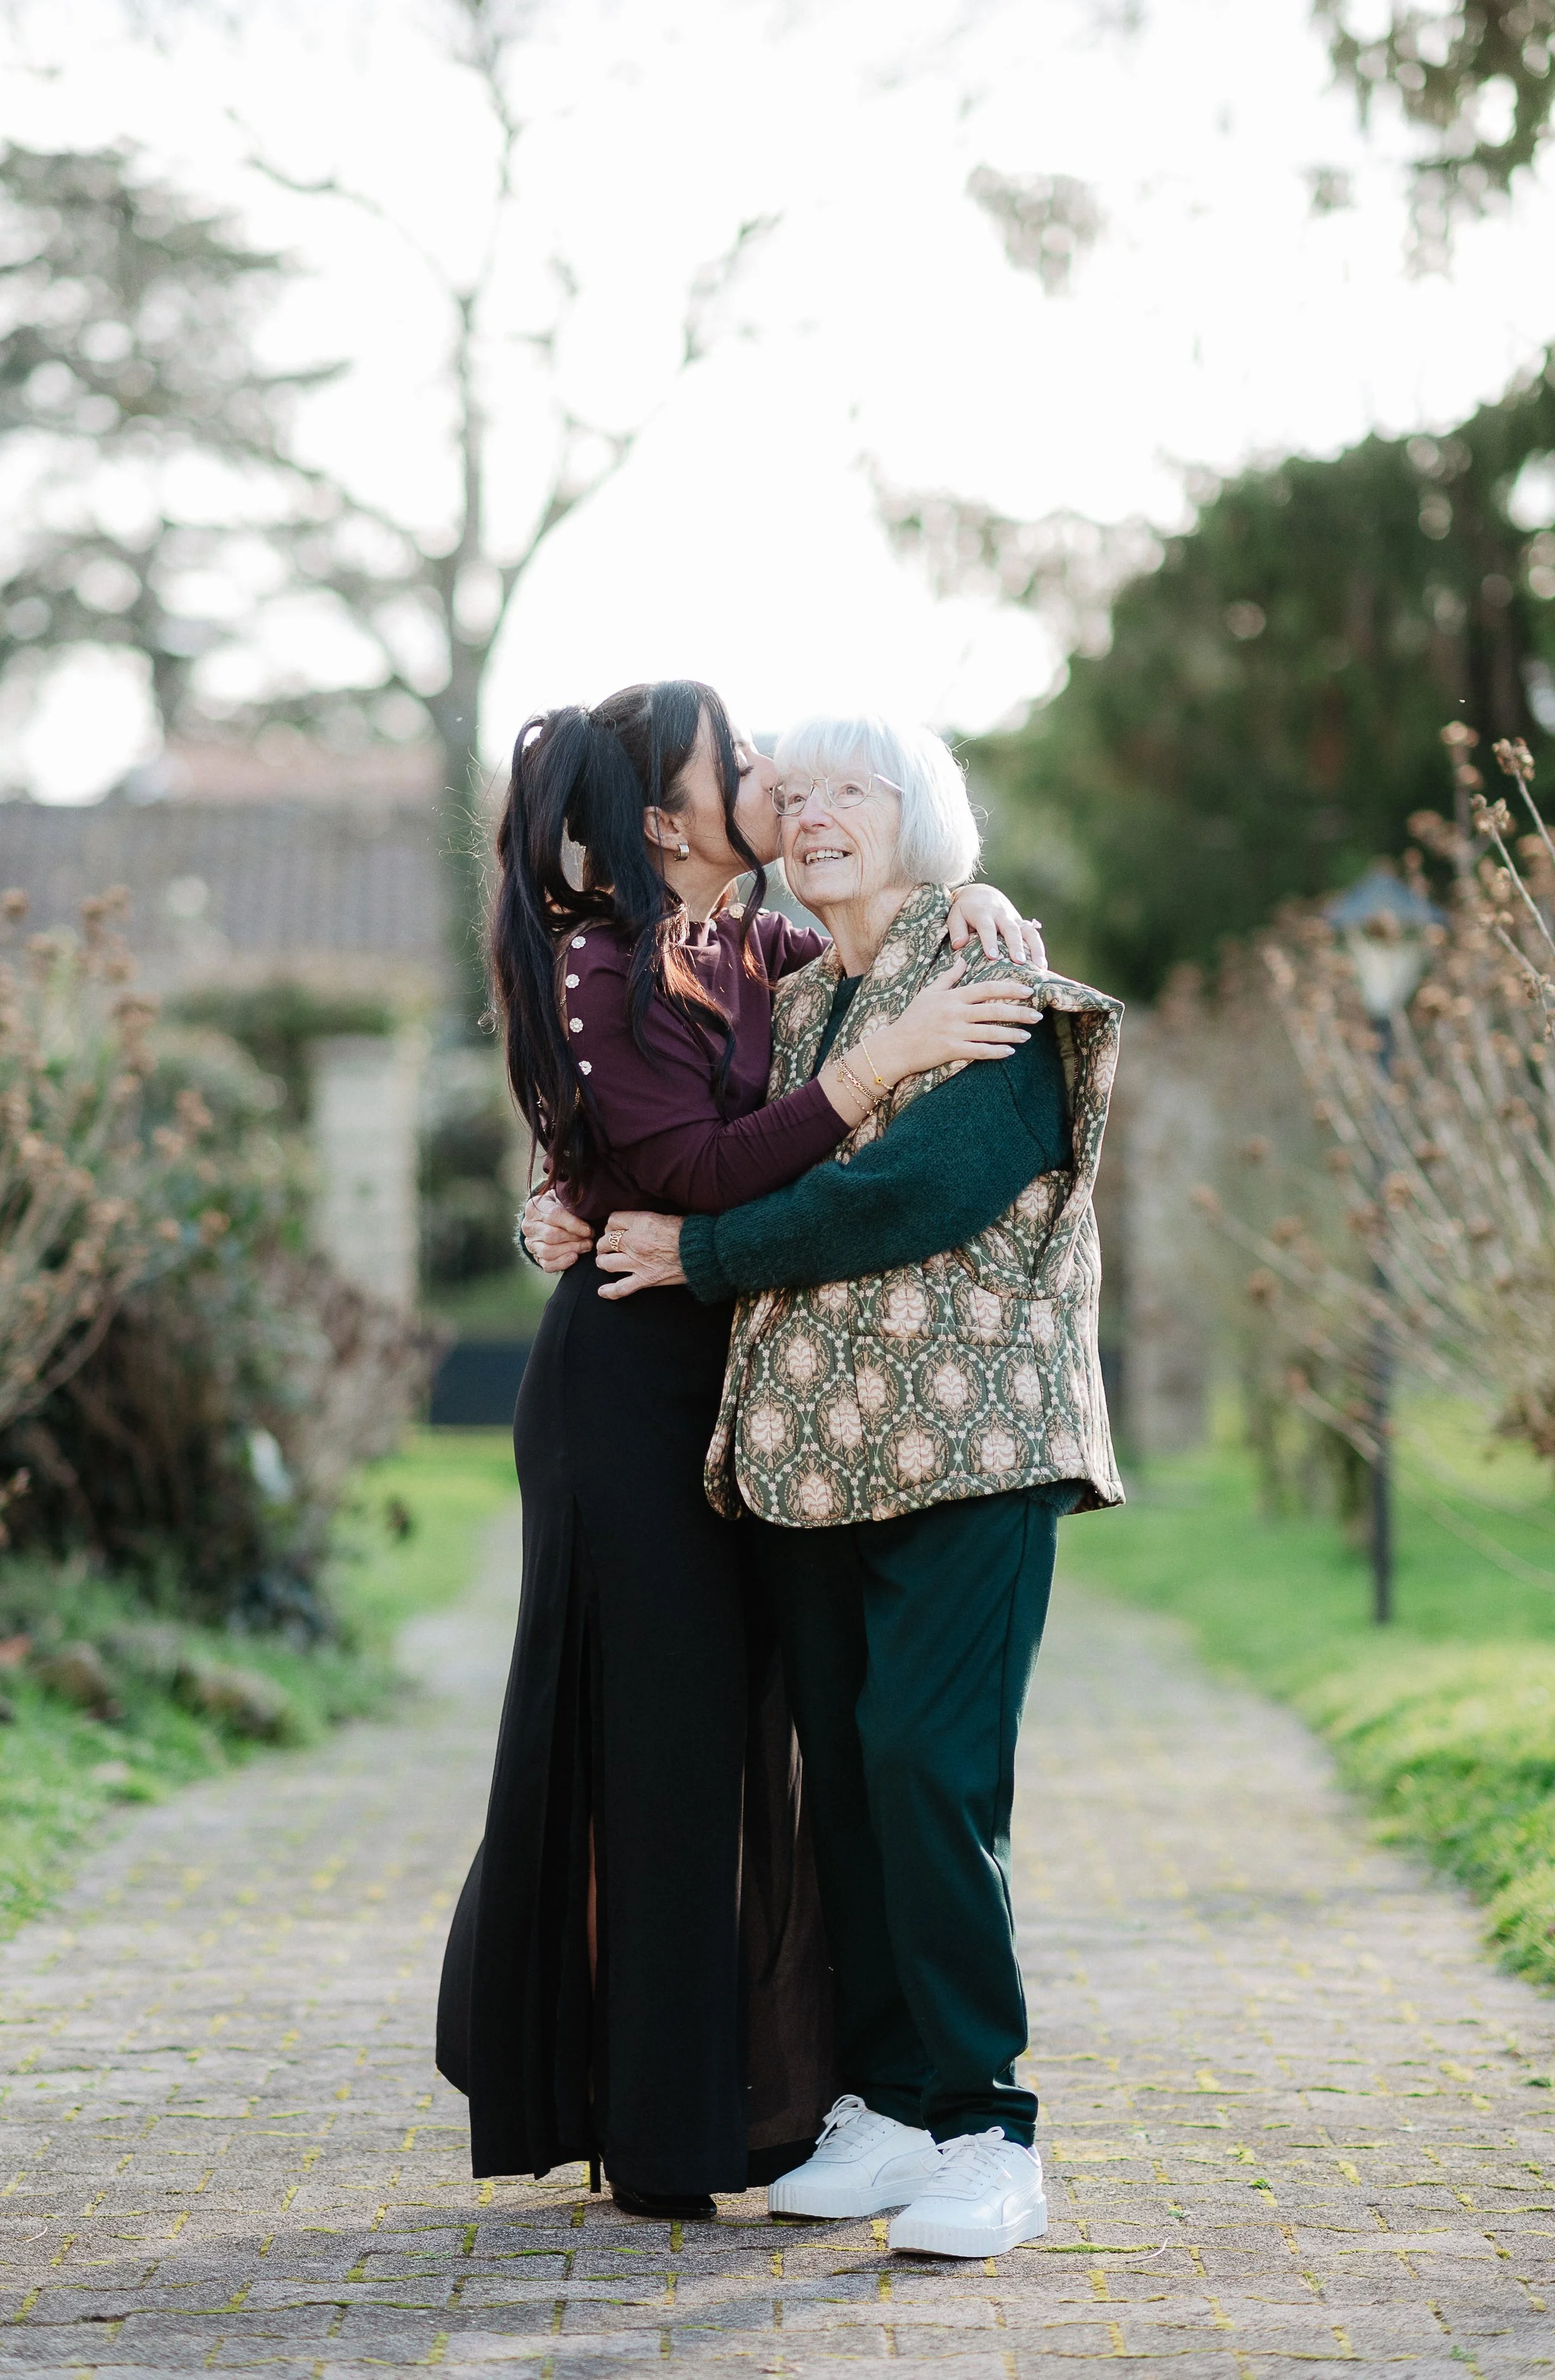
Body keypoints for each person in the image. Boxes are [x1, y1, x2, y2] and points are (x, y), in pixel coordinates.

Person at [435, 680, 1045, 2222]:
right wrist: (567, 1197)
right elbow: (676, 1160)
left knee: (803, 1747)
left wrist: (970, 887)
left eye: (815, 779)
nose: (782, 792)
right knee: (676, 1752)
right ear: (668, 821)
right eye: (753, 772)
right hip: (642, 1397)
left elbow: (854, 1028)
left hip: (779, 1405)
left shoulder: (780, 952)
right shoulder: (605, 961)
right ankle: (666, 2124)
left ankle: (873, 2105)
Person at [553, 713, 1124, 2258]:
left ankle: (987, 2126)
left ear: (923, 820)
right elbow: (709, 1145)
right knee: (850, 1787)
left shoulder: (991, 974)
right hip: (808, 1465)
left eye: (849, 791)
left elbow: (913, 1189)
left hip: (973, 1450)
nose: (809, 814)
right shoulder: (793, 997)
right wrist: (584, 1197)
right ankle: (883, 2103)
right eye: (789, 793)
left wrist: (708, 1251)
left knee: (926, 1767)